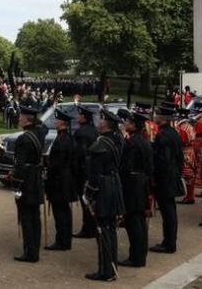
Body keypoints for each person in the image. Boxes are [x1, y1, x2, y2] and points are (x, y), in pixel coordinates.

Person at [84, 109, 124, 282]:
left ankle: (105, 270)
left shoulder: (100, 145)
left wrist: (89, 194)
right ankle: (110, 268)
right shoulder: (115, 141)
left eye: (101, 120)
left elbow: (95, 174)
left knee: (103, 230)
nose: (99, 122)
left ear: (106, 124)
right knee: (110, 229)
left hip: (103, 189)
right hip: (114, 185)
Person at [10, 104, 46, 263]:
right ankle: (34, 250)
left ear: (26, 119)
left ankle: (29, 253)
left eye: (21, 116)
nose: (18, 118)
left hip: (27, 181)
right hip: (36, 178)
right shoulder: (39, 132)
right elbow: (42, 125)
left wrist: (16, 184)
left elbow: (19, 165)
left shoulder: (23, 138)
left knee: (26, 217)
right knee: (35, 216)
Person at [119, 110, 153, 267]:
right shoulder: (144, 140)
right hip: (142, 182)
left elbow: (126, 166)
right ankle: (140, 255)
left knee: (133, 222)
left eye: (128, 122)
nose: (125, 124)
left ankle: (136, 257)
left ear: (133, 125)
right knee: (139, 221)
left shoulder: (132, 143)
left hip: (132, 184)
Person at [150, 102, 183, 254]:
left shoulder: (163, 136)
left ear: (162, 118)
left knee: (168, 211)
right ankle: (169, 241)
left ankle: (169, 243)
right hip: (172, 175)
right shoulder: (172, 132)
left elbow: (162, 160)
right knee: (170, 210)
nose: (155, 116)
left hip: (165, 178)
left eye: (157, 114)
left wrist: (155, 177)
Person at [45, 108, 76, 251]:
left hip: (60, 180)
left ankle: (62, 241)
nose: (55, 121)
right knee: (63, 211)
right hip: (63, 178)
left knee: (61, 212)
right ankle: (64, 239)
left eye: (57, 120)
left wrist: (47, 174)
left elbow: (57, 163)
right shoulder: (63, 137)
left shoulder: (63, 140)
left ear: (62, 123)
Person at [73, 105, 100, 238]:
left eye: (80, 115)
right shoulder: (94, 130)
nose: (78, 117)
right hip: (92, 169)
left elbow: (81, 153)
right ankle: (92, 227)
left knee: (85, 201)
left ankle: (88, 228)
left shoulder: (81, 132)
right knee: (89, 200)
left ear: (84, 117)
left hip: (83, 171)